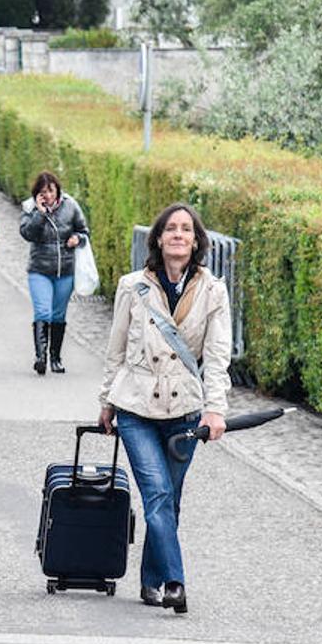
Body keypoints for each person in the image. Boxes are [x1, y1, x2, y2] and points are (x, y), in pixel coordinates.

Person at [99, 202, 231, 614]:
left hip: (185, 411)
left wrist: (215, 409)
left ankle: (151, 580)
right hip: (136, 407)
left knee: (169, 500)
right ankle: (176, 582)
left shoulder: (213, 291)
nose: (178, 235)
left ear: (196, 241)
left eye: (185, 229)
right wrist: (106, 401)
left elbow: (218, 357)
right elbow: (116, 348)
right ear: (157, 239)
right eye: (170, 228)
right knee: (156, 493)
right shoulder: (132, 286)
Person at [20, 171, 90, 375]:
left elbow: (84, 231)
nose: (48, 196)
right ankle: (40, 357)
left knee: (58, 314)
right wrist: (40, 214)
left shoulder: (71, 205)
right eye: (43, 192)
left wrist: (77, 238)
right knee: (43, 312)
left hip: (65, 269)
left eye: (51, 191)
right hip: (39, 269)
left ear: (58, 191)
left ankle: (55, 358)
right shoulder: (30, 208)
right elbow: (27, 233)